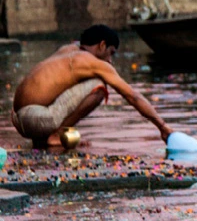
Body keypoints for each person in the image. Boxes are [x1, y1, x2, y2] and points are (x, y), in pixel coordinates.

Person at [11, 24, 173, 148]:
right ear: (102, 45)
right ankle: (56, 136)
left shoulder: (68, 50)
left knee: (78, 82)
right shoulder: (91, 61)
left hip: (18, 118)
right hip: (34, 118)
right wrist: (162, 126)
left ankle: (44, 139)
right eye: (111, 53)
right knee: (99, 87)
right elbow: (132, 96)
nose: (109, 60)